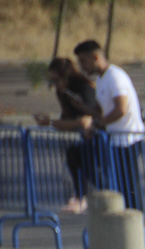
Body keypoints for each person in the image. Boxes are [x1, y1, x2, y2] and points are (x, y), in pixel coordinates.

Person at [74, 39, 145, 210]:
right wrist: (83, 108)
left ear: (96, 57)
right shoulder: (100, 80)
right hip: (116, 140)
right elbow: (103, 112)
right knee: (119, 186)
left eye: (83, 61)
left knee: (130, 188)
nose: (82, 66)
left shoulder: (115, 76)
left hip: (129, 139)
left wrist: (98, 124)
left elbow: (121, 109)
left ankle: (135, 222)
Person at [33, 57, 97, 213]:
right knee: (75, 158)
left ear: (65, 76)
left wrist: (51, 123)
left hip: (97, 136)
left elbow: (86, 120)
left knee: (94, 169)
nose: (55, 86)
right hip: (81, 139)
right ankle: (81, 197)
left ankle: (94, 197)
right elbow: (67, 118)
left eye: (56, 80)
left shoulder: (83, 88)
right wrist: (55, 122)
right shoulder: (64, 93)